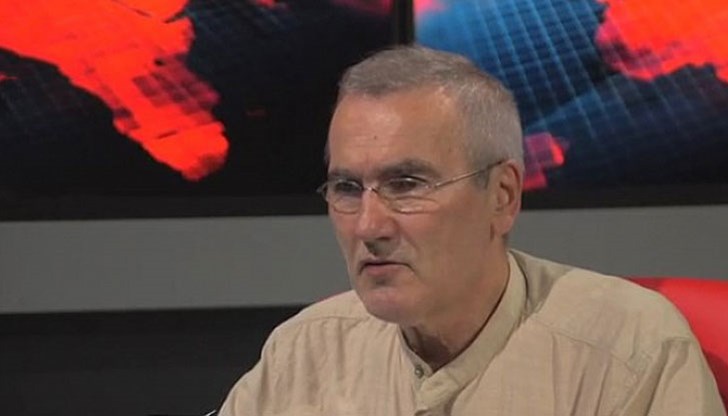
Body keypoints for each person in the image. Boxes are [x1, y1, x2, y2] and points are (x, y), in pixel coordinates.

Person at [218, 45, 724, 415]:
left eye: (407, 184)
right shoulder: (305, 350)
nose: (368, 225)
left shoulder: (632, 351)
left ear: (502, 196)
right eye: (347, 188)